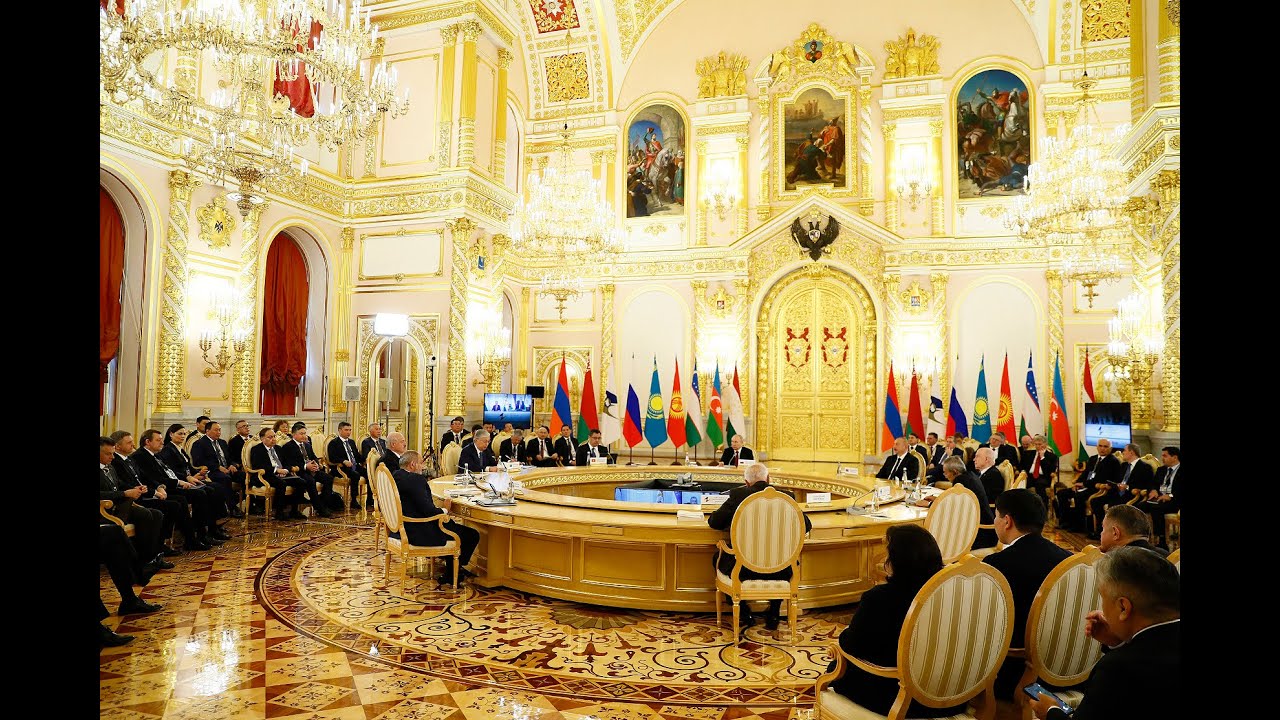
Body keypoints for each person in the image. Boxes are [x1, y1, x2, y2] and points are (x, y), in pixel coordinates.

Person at [826, 525, 963, 718]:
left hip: (902, 699)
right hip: (954, 694)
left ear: (897, 561)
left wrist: (846, 633)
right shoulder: (952, 593)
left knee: (836, 668)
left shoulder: (879, 598)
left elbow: (852, 646)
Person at [1028, 547, 1180, 719]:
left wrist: (1050, 711)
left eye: (1103, 598)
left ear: (1123, 607)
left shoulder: (1118, 668)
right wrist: (1120, 642)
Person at [983, 489, 1071, 700]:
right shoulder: (1068, 560)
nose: (995, 522)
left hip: (1012, 671)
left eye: (996, 516)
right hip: (1064, 664)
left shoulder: (997, 564)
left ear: (1007, 521)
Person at [707, 464, 812, 632]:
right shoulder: (787, 497)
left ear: (746, 482)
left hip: (743, 570)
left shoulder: (738, 495)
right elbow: (806, 525)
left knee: (717, 558)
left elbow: (714, 522)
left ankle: (743, 611)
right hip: (781, 569)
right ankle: (774, 612)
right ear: (768, 479)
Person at [390, 451, 480, 585]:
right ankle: (453, 572)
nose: (423, 466)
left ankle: (453, 567)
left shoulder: (395, 476)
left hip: (400, 529)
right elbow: (429, 511)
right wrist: (445, 510)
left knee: (453, 527)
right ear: (413, 465)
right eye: (421, 463)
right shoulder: (416, 480)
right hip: (419, 531)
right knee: (471, 535)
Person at [131, 428, 223, 548]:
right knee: (196, 495)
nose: (162, 442)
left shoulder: (155, 454)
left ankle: (205, 533)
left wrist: (183, 480)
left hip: (167, 485)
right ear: (147, 442)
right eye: (158, 440)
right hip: (163, 488)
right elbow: (154, 478)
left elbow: (168, 472)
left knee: (208, 490)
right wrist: (178, 482)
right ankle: (194, 537)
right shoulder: (141, 456)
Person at [111, 431, 189, 556]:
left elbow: (145, 477)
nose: (133, 445)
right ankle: (158, 546)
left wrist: (159, 487)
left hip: (143, 493)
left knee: (175, 503)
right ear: (118, 446)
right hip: (135, 499)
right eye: (129, 442)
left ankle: (162, 543)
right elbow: (124, 485)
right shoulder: (115, 461)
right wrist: (154, 493)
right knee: (171, 506)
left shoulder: (129, 459)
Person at [100, 436, 168, 570]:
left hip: (119, 506)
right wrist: (125, 494)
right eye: (108, 454)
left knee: (157, 514)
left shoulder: (109, 467)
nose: (112, 457)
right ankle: (142, 560)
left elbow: (119, 484)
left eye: (113, 453)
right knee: (145, 514)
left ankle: (152, 556)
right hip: (105, 510)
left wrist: (135, 489)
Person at [917, 456, 996, 549]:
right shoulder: (969, 475)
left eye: (945, 472)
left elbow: (954, 509)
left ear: (955, 471)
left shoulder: (960, 481)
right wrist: (937, 499)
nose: (945, 476)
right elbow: (957, 502)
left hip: (979, 532)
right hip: (984, 529)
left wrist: (929, 504)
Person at [1087, 443, 1154, 538]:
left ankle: (1117, 534)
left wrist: (1127, 487)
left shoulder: (1145, 467)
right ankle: (1100, 531)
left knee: (1114, 505)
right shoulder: (1124, 465)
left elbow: (1146, 484)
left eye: (1124, 451)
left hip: (1132, 495)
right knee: (1096, 501)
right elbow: (1117, 480)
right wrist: (1112, 485)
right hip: (1117, 492)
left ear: (1131, 452)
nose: (1123, 453)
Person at [1055, 439, 1120, 533]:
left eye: (1105, 447)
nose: (1102, 449)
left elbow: (1102, 479)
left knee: (1078, 496)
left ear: (1110, 449)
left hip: (1097, 488)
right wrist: (1077, 483)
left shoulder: (1113, 461)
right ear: (1097, 447)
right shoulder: (1093, 458)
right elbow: (1085, 473)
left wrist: (1084, 484)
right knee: (1061, 493)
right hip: (1086, 486)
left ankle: (1079, 526)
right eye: (1100, 446)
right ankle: (1065, 522)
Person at [249, 428, 310, 520]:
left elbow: (286, 462)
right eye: (270, 437)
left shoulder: (278, 448)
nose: (273, 439)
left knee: (301, 482)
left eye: (274, 436)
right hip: (266, 475)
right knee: (281, 483)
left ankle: (294, 511)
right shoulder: (257, 449)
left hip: (282, 474)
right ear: (262, 438)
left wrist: (286, 470)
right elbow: (258, 466)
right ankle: (279, 512)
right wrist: (276, 470)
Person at [190, 422, 245, 518]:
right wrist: (217, 467)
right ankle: (232, 508)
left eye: (219, 430)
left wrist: (231, 465)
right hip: (212, 471)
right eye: (216, 430)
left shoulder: (222, 442)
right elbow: (198, 461)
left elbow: (229, 457)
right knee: (225, 478)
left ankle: (240, 501)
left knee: (245, 476)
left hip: (227, 469)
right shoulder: (199, 443)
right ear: (207, 431)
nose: (219, 432)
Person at [278, 426, 334, 518]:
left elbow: (314, 457)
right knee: (310, 481)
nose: (304, 436)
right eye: (301, 434)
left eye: (305, 433)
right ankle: (319, 508)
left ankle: (324, 504)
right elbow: (288, 463)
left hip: (312, 470)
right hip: (299, 471)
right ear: (294, 434)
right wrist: (305, 466)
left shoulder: (307, 445)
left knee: (329, 478)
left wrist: (316, 464)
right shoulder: (288, 447)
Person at [1141, 446, 1182, 548]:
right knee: (1139, 507)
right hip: (1159, 499)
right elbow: (1152, 484)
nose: (1162, 458)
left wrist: (1170, 496)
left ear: (1174, 457)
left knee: (1156, 508)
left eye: (1165, 456)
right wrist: (1153, 490)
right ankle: (1141, 537)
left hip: (1175, 501)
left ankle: (1161, 540)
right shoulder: (1161, 470)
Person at [328, 421, 370, 509]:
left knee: (369, 473)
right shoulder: (334, 443)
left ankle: (370, 499)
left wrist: (367, 459)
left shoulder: (351, 442)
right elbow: (332, 457)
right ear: (340, 430)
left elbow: (357, 456)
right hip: (341, 467)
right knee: (355, 475)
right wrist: (343, 461)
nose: (349, 432)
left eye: (350, 430)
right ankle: (353, 500)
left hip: (354, 465)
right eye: (346, 430)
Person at [1099, 505, 1168, 557]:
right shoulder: (1166, 556)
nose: (1101, 534)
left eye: (1103, 529)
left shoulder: (1113, 564)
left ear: (1115, 533)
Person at [1021, 434, 1058, 507]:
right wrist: (1023, 471)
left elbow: (1050, 470)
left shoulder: (1052, 456)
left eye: (1040, 444)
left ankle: (1042, 507)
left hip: (1043, 477)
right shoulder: (1028, 454)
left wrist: (1042, 458)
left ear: (1045, 444)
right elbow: (1022, 465)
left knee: (1039, 485)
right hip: (1029, 476)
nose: (1037, 446)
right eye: (1036, 444)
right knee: (1020, 484)